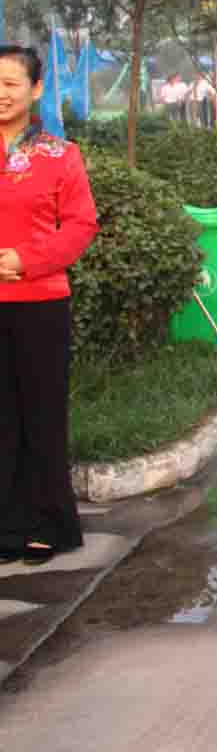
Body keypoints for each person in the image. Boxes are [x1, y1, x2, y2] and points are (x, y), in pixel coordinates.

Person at [0, 47, 99, 568]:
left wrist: (27, 260)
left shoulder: (61, 155)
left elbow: (81, 225)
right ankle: (6, 526)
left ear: (36, 90)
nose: (1, 93)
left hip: (39, 303)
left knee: (41, 415)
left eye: (11, 83)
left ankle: (45, 524)